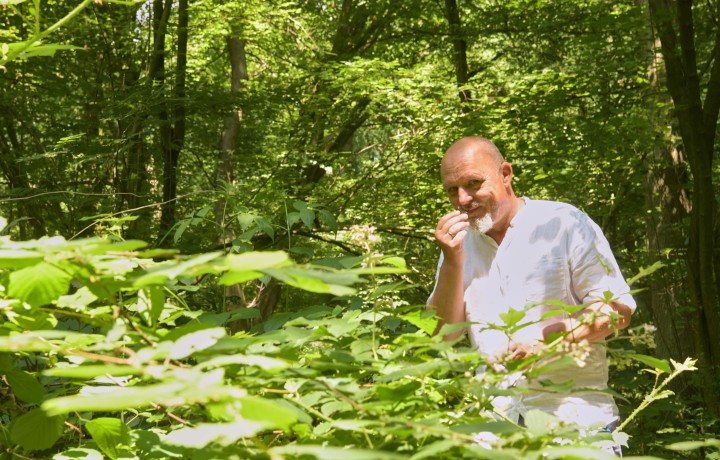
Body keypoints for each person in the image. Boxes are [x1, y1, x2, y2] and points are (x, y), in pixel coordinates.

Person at [428, 136, 636, 432]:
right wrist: (451, 260)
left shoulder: (564, 223)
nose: (462, 199)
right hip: (495, 426)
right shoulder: (457, 247)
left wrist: (549, 339)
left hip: (575, 422)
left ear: (505, 174)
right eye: (452, 190)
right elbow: (440, 336)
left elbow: (618, 309)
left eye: (473, 183)